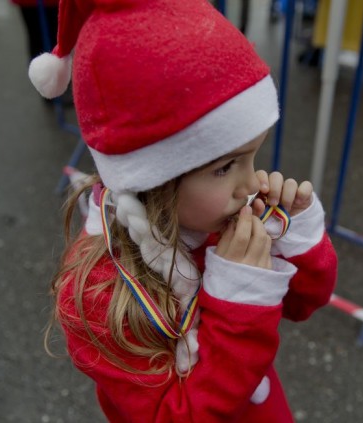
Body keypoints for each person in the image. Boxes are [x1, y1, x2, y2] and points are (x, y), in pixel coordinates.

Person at [29, 0, 337, 421]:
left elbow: (305, 302)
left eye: (252, 157)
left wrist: (296, 231)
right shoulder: (97, 294)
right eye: (226, 166)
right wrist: (237, 299)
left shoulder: (208, 215)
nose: (251, 184)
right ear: (153, 179)